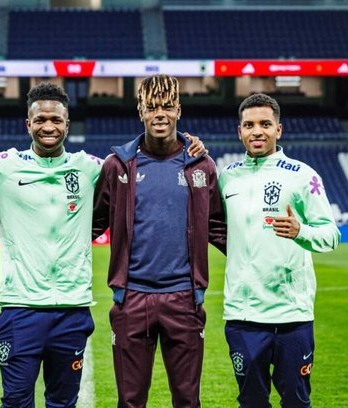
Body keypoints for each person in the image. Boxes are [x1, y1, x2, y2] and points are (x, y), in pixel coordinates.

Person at [0, 81, 206, 407]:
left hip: (72, 308)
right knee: (17, 402)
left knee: (63, 403)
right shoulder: (3, 166)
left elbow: (141, 162)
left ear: (67, 124)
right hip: (19, 308)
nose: (48, 127)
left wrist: (189, 143)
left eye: (56, 120)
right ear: (28, 124)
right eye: (40, 120)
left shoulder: (94, 167)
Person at [92, 74, 227, 407]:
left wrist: (266, 253)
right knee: (131, 401)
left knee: (186, 399)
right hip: (132, 299)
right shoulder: (117, 166)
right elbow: (90, 224)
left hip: (183, 299)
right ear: (140, 111)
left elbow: (219, 228)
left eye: (167, 106)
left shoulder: (201, 166)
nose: (160, 114)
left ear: (179, 109)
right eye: (152, 107)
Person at [218, 93, 340, 408]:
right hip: (244, 315)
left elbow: (330, 234)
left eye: (265, 124)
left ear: (279, 130)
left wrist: (302, 232)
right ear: (240, 131)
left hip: (292, 314)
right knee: (252, 402)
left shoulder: (303, 176)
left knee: (297, 402)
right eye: (249, 125)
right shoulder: (227, 177)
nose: (257, 131)